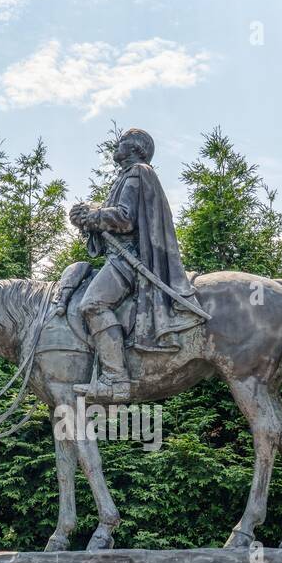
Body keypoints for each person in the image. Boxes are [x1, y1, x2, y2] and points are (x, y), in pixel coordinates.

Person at [68, 128, 195, 403]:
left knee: (93, 304)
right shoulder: (126, 176)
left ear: (137, 147)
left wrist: (93, 216)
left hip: (130, 259)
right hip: (120, 256)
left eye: (123, 140)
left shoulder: (138, 171)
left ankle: (115, 379)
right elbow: (113, 223)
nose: (117, 144)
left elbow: (125, 220)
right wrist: (87, 217)